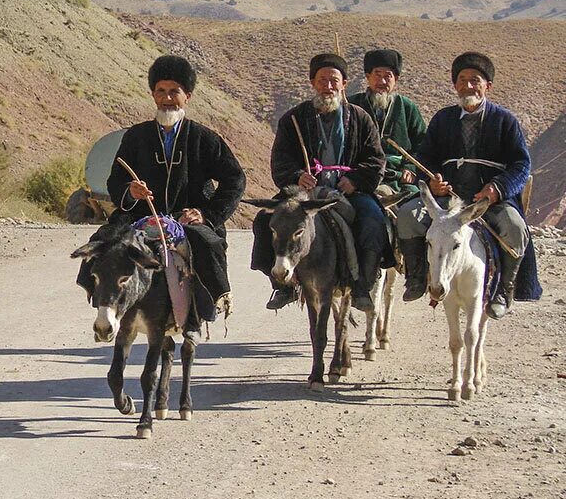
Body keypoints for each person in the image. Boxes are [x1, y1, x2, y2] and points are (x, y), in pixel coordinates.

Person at [80, 54, 245, 323]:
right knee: (103, 241)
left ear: (187, 96)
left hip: (187, 217)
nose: (167, 98)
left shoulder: (204, 138)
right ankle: (102, 299)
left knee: (208, 243)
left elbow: (235, 180)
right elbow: (115, 180)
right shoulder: (136, 137)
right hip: (139, 215)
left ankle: (211, 302)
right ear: (153, 95)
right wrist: (130, 192)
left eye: (174, 92)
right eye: (161, 92)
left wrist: (207, 215)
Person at [396, 52, 538, 317]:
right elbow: (425, 157)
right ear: (455, 85)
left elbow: (521, 164)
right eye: (463, 80)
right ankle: (417, 278)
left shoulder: (504, 120)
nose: (469, 86)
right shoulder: (443, 119)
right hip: (447, 199)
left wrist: (496, 189)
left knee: (516, 228)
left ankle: (502, 292)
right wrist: (432, 179)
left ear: (488, 86)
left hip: (488, 201)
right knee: (406, 216)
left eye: (475, 80)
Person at [253, 53, 387, 311]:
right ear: (312, 82)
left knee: (374, 221)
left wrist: (355, 179)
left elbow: (375, 160)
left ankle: (362, 287)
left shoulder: (361, 119)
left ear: (344, 83)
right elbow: (280, 160)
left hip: (348, 191)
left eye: (334, 81)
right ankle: (283, 285)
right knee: (263, 221)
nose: (328, 86)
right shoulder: (293, 119)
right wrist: (296, 176)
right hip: (304, 195)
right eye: (322, 80)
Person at [347, 49, 427, 195]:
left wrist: (410, 167)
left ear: (396, 79)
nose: (382, 82)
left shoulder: (407, 107)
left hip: (397, 176)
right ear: (367, 76)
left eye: (388, 76)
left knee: (416, 206)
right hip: (360, 173)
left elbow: (423, 144)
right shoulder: (351, 106)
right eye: (377, 75)